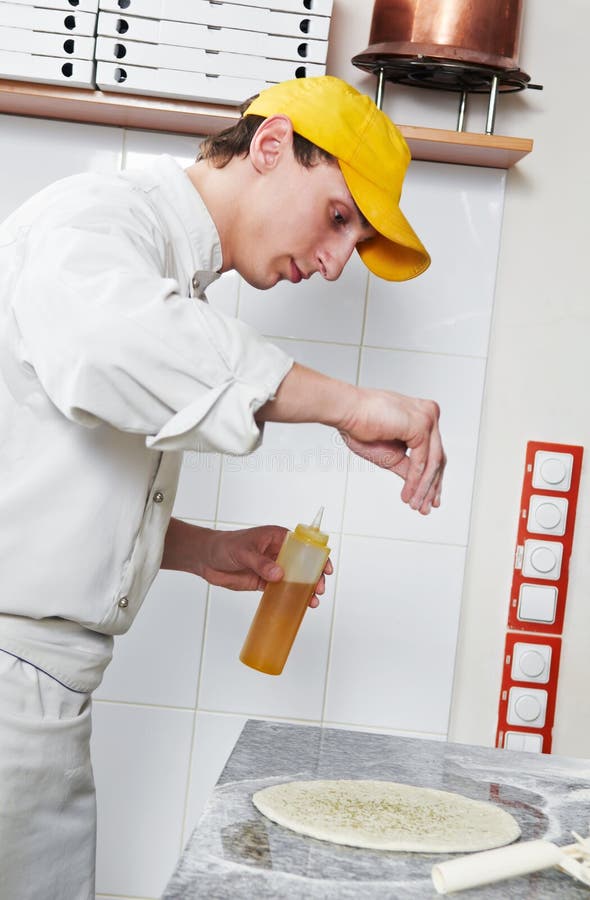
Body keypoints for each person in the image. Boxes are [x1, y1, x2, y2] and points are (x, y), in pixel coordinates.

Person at [0, 76, 445, 899]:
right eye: (340, 217)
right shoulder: (99, 219)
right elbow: (112, 346)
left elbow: (38, 482)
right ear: (270, 146)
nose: (337, 260)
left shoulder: (164, 266)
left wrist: (202, 550)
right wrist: (346, 405)